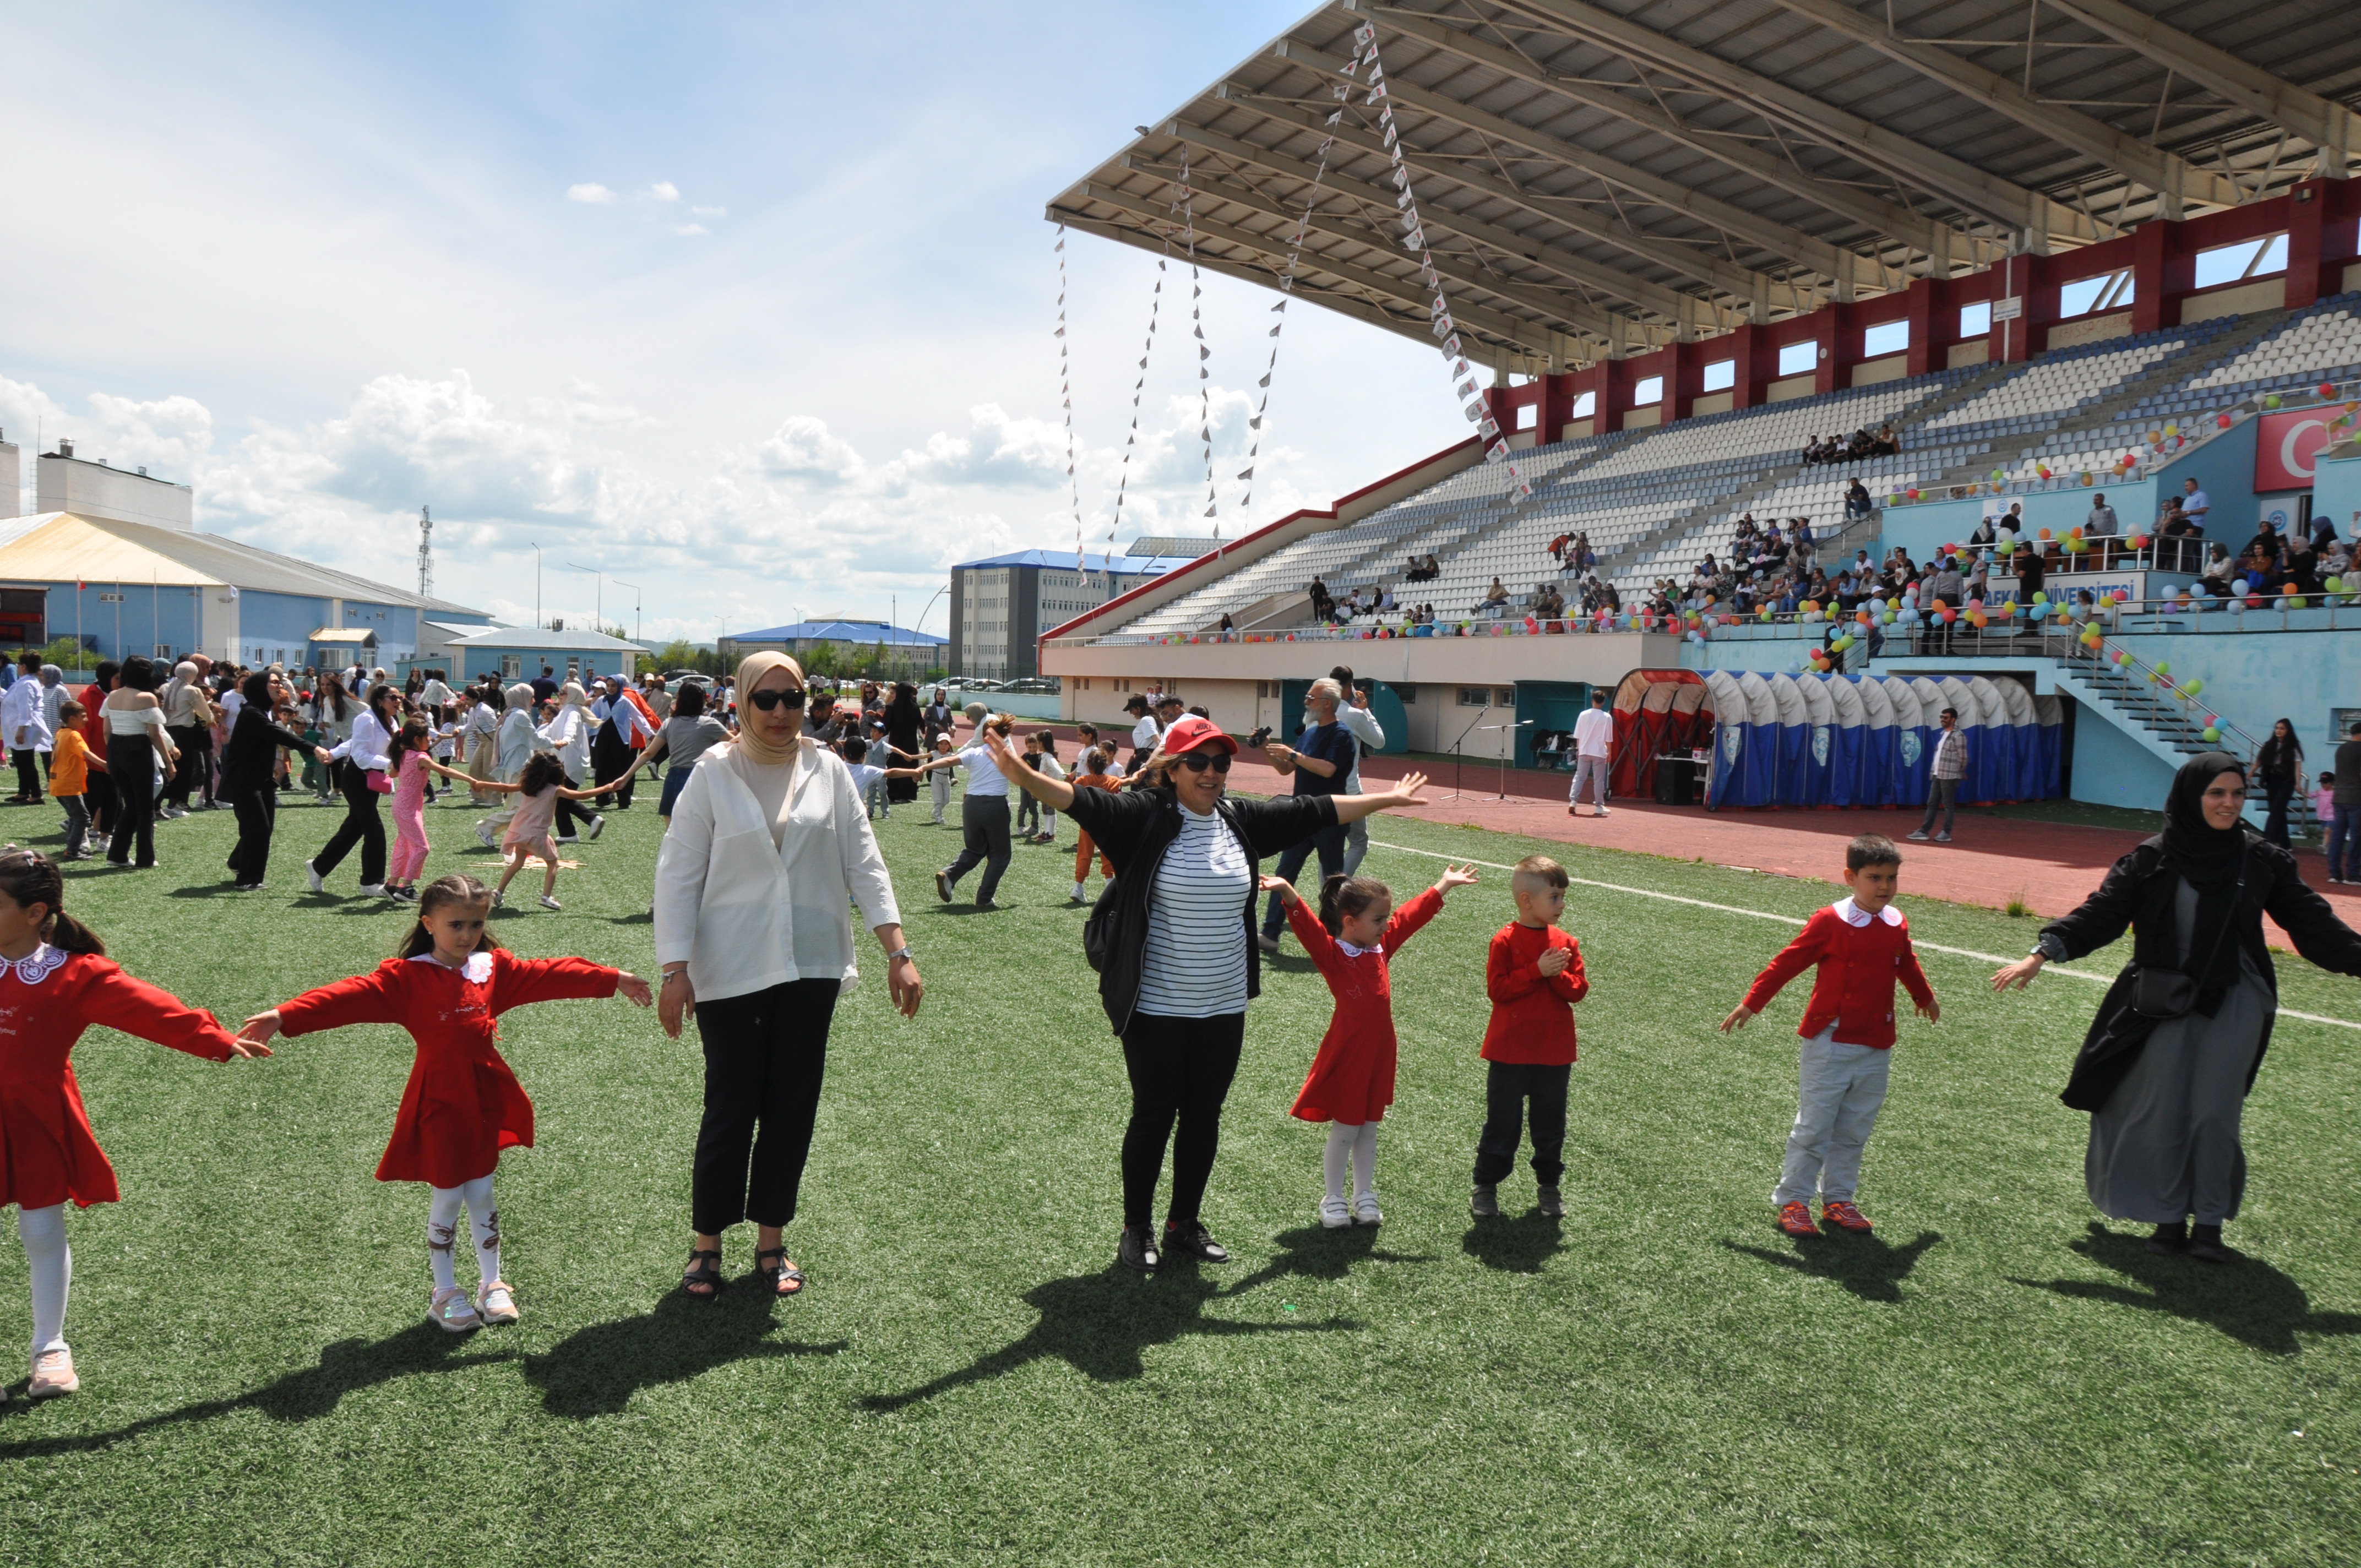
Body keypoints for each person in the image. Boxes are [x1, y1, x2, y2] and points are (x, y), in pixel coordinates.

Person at [977, 713, 1432, 1272]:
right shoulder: (1144, 815)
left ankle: (1184, 1223)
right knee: (1153, 1114)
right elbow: (1080, 801)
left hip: (1222, 1004)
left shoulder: (1237, 820)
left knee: (1203, 1115)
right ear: (1171, 768)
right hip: (1157, 1005)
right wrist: (1023, 775)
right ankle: (1136, 1226)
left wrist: (1386, 798)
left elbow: (1315, 810)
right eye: (1198, 761)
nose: (1212, 772)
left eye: (1220, 762)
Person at [238, 873, 652, 1330]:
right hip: (438, 1103)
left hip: (484, 1098)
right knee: (449, 1197)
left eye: (475, 925)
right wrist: (284, 1015)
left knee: (482, 1192)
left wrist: (614, 978)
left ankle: (492, 1285)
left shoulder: (492, 969)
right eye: (455, 925)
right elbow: (348, 996)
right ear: (429, 924)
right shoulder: (405, 978)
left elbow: (549, 974)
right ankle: (445, 1294)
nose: (467, 935)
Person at [1990, 755, 2361, 1262]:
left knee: (2214, 1113)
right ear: (2192, 797)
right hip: (2160, 1001)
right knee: (2161, 1109)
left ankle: (2208, 1227)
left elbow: (2314, 924)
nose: (2229, 804)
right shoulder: (2152, 858)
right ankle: (2167, 1220)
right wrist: (2043, 953)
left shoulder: (2261, 859)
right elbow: (2104, 912)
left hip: (2233, 998)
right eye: (2216, 794)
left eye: (2237, 793)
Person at [654, 651, 922, 1300]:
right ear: (741, 703)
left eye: (793, 698)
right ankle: (706, 1244)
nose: (780, 712)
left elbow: (864, 861)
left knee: (791, 1106)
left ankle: (772, 1241)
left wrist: (897, 950)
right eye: (765, 699)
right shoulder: (712, 774)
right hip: (731, 964)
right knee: (731, 1103)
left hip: (811, 963)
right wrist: (674, 968)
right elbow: (678, 873)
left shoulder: (827, 768)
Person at [0, 848, 265, 1398]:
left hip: (35, 1114)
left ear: (34, 912)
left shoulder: (76, 974)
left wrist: (214, 1038)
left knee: (41, 1229)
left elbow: (148, 1008)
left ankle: (51, 1347)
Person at [1720, 835, 1939, 1236]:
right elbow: (1786, 963)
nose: (1885, 887)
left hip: (1876, 1042)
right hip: (1831, 1041)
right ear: (1850, 877)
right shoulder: (1830, 920)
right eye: (1875, 878)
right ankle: (1793, 1201)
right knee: (1815, 1127)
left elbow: (1905, 960)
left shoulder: (1896, 921)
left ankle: (1839, 1199)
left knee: (1855, 1128)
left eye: (1892, 878)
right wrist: (1752, 1003)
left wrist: (1924, 996)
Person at [1268, 863, 1480, 1228]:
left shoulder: (1379, 949)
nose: (1386, 926)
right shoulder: (1335, 955)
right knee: (1347, 1126)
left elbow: (1410, 919)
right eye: (1379, 919)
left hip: (1380, 1051)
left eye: (1386, 919)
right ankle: (1333, 1197)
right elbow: (1310, 931)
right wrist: (1288, 891)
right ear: (1350, 922)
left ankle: (1364, 1194)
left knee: (1368, 1125)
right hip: (1350, 1052)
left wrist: (1443, 885)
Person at [1471, 854, 1587, 1219]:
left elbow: (1579, 991)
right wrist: (1537, 971)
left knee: (1551, 1123)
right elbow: (1498, 990)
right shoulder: (1504, 940)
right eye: (1554, 897)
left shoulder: (1566, 942)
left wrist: (1556, 975)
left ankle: (1549, 1187)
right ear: (1526, 901)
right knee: (1502, 1123)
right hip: (1509, 1052)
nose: (1562, 905)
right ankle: (1485, 1186)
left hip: (1554, 1053)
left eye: (1563, 897)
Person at [1257, 679, 1358, 952]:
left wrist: (1293, 754)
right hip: (1301, 816)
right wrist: (1267, 748)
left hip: (1328, 817)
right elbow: (1285, 770)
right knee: (1284, 874)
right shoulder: (1308, 734)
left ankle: (1334, 938)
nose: (1306, 702)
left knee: (1333, 882)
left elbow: (1328, 770)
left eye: (1310, 698)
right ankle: (1270, 934)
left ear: (1327, 703)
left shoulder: (1341, 735)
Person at [467, 751, 629, 910]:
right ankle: (546, 897)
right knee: (553, 863)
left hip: (518, 831)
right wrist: (606, 788)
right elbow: (581, 796)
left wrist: (483, 784)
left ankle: (498, 892)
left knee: (518, 863)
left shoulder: (528, 786)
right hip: (536, 834)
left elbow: (504, 787)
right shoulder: (556, 790)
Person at [220, 670, 333, 890]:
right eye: (274, 683)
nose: (279, 685)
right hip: (245, 781)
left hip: (261, 780)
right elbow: (279, 735)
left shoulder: (263, 711)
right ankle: (248, 880)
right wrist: (314, 748)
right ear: (260, 687)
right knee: (258, 828)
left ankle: (237, 863)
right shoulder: (252, 712)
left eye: (280, 682)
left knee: (263, 827)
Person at [307, 680, 402, 898]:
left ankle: (318, 867)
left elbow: (352, 744)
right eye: (393, 698)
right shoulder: (366, 719)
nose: (398, 702)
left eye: (400, 698)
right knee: (375, 830)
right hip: (356, 779)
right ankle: (370, 883)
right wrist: (389, 765)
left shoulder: (393, 722)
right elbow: (359, 755)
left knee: (354, 829)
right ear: (380, 701)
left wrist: (334, 753)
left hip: (374, 780)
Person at [923, 707, 1016, 910]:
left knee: (975, 849)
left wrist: (923, 768)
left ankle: (949, 874)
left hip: (971, 804)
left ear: (983, 736)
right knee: (1001, 855)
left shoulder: (974, 752)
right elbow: (1022, 777)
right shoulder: (1006, 755)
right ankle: (984, 897)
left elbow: (949, 760)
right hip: (995, 805)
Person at [102, 655, 177, 870]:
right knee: (145, 808)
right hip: (138, 750)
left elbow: (107, 731)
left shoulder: (112, 696)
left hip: (115, 749)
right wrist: (168, 761)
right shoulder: (147, 698)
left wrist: (114, 754)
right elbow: (154, 735)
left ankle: (117, 854)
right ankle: (145, 858)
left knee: (132, 806)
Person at [638, 682, 731, 823]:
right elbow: (736, 742)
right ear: (701, 701)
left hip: (674, 778)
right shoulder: (708, 723)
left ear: (680, 699)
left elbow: (648, 753)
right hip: (700, 777)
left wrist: (625, 778)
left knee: (671, 832)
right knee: (701, 829)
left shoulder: (669, 723)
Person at [1329, 666, 1386, 875]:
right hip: (1350, 792)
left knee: (1329, 845)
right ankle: (1337, 885)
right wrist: (1365, 710)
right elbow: (1379, 742)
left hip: (1323, 792)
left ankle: (1327, 888)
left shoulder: (1318, 713)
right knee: (1359, 842)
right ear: (1350, 686)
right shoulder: (1353, 715)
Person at [537, 683, 606, 846]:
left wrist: (566, 740)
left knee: (561, 797)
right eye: (560, 691)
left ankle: (579, 827)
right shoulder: (564, 712)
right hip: (565, 761)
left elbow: (571, 729)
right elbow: (547, 731)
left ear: (573, 695)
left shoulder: (572, 712)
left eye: (563, 692)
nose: (559, 694)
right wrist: (531, 738)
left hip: (571, 762)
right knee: (561, 797)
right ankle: (576, 828)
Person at [1067, 747, 1118, 903]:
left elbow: (1072, 790)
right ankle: (1109, 882)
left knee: (1084, 853)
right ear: (1106, 764)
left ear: (1089, 765)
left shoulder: (1083, 781)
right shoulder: (1112, 781)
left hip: (1087, 822)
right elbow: (1121, 786)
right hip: (1106, 822)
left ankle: (1078, 885)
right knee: (1108, 852)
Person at [1908, 707, 1967, 843]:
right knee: (1932, 803)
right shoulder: (1943, 734)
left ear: (1953, 719)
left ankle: (1946, 832)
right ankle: (1924, 831)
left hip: (1950, 775)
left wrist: (1959, 771)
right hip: (1937, 774)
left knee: (1948, 804)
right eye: (1941, 717)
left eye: (1945, 718)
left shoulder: (1958, 736)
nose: (1942, 720)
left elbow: (1963, 757)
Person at [48, 701, 95, 861]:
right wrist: (104, 764)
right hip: (68, 784)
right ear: (72, 719)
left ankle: (73, 847)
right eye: (83, 717)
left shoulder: (61, 733)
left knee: (76, 818)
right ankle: (73, 850)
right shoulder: (74, 735)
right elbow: (86, 753)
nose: (86, 720)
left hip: (58, 782)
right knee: (83, 818)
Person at [2250, 718, 2304, 849]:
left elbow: (2298, 766)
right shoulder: (2269, 745)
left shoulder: (2293, 746)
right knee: (2277, 811)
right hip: (2272, 780)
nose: (2279, 731)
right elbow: (2260, 760)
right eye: (2277, 728)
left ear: (2288, 730)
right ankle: (2285, 844)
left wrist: (2298, 783)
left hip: (2287, 781)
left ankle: (2266, 840)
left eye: (2282, 728)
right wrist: (2251, 772)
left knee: (2276, 811)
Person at [4, 652, 50, 802]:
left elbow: (26, 709)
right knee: (20, 760)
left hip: (25, 728)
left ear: (23, 667)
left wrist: (21, 730)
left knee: (27, 762)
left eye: (19, 664)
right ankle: (24, 791)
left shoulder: (27, 684)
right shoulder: (24, 682)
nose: (17, 667)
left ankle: (36, 794)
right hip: (18, 726)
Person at [1568, 688, 1614, 818]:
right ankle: (1599, 806)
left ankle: (1574, 801)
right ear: (1604, 702)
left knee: (1580, 777)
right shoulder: (1606, 717)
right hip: (1599, 751)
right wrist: (1609, 752)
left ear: (1593, 701)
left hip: (1585, 750)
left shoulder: (1583, 715)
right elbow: (1608, 738)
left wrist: (1578, 749)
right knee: (1599, 780)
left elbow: (1578, 735)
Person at [2332, 722, 2361, 885]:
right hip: (2357, 798)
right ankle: (2353, 874)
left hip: (2339, 797)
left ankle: (2335, 873)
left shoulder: (2341, 749)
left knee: (2337, 838)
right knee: (2356, 838)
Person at [2316, 771, 2340, 883]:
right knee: (2327, 832)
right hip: (2322, 817)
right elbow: (2311, 795)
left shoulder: (2335, 793)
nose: (2323, 785)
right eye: (2322, 783)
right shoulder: (2320, 792)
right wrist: (2302, 792)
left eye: (2326, 783)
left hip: (2332, 817)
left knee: (2328, 831)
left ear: (2332, 783)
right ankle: (2327, 847)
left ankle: (2324, 847)